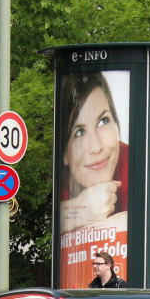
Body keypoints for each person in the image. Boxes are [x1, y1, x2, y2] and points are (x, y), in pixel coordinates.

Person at [60, 72, 129, 234]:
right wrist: (81, 211)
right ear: (64, 154)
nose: (96, 147)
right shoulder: (55, 180)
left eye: (103, 121)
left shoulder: (136, 163)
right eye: (79, 133)